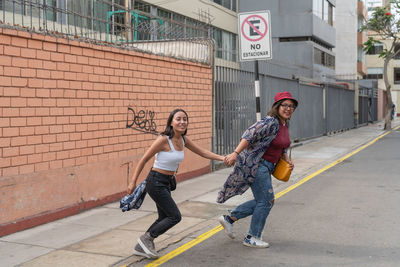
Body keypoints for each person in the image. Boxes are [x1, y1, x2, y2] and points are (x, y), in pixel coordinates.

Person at [127, 108, 225, 259]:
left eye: (185, 119)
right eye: (178, 119)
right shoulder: (163, 139)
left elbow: (203, 152)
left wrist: (223, 158)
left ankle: (142, 245)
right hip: (155, 181)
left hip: (166, 182)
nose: (182, 122)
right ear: (171, 122)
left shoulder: (184, 140)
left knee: (164, 217)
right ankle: (146, 239)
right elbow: (144, 159)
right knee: (174, 216)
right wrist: (132, 182)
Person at [217, 91, 298, 248]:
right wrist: (235, 153)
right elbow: (248, 135)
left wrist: (287, 159)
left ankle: (230, 219)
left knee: (266, 201)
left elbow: (281, 146)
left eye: (291, 106)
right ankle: (252, 237)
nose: (288, 109)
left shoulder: (284, 124)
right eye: (285, 105)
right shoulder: (270, 122)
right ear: (277, 106)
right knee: (266, 201)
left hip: (268, 166)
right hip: (257, 165)